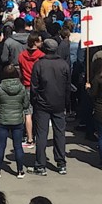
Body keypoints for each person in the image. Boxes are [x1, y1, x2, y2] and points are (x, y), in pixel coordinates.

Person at [30, 38, 70, 176]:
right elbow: (67, 86)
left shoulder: (39, 64)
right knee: (60, 133)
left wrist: (34, 101)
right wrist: (67, 103)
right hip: (59, 103)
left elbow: (34, 87)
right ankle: (61, 163)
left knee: (41, 134)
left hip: (42, 103)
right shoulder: (63, 64)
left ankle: (40, 165)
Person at [0, 64, 29, 178]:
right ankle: (20, 170)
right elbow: (26, 104)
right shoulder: (21, 87)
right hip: (17, 120)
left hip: (3, 120)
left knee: (1, 145)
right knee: (18, 146)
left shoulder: (0, 88)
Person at [17, 32, 44, 146]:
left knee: (27, 113)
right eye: (40, 40)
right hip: (39, 87)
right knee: (39, 113)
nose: (41, 42)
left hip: (26, 85)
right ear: (35, 42)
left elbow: (21, 71)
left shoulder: (21, 55)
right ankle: (39, 136)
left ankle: (29, 138)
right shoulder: (41, 56)